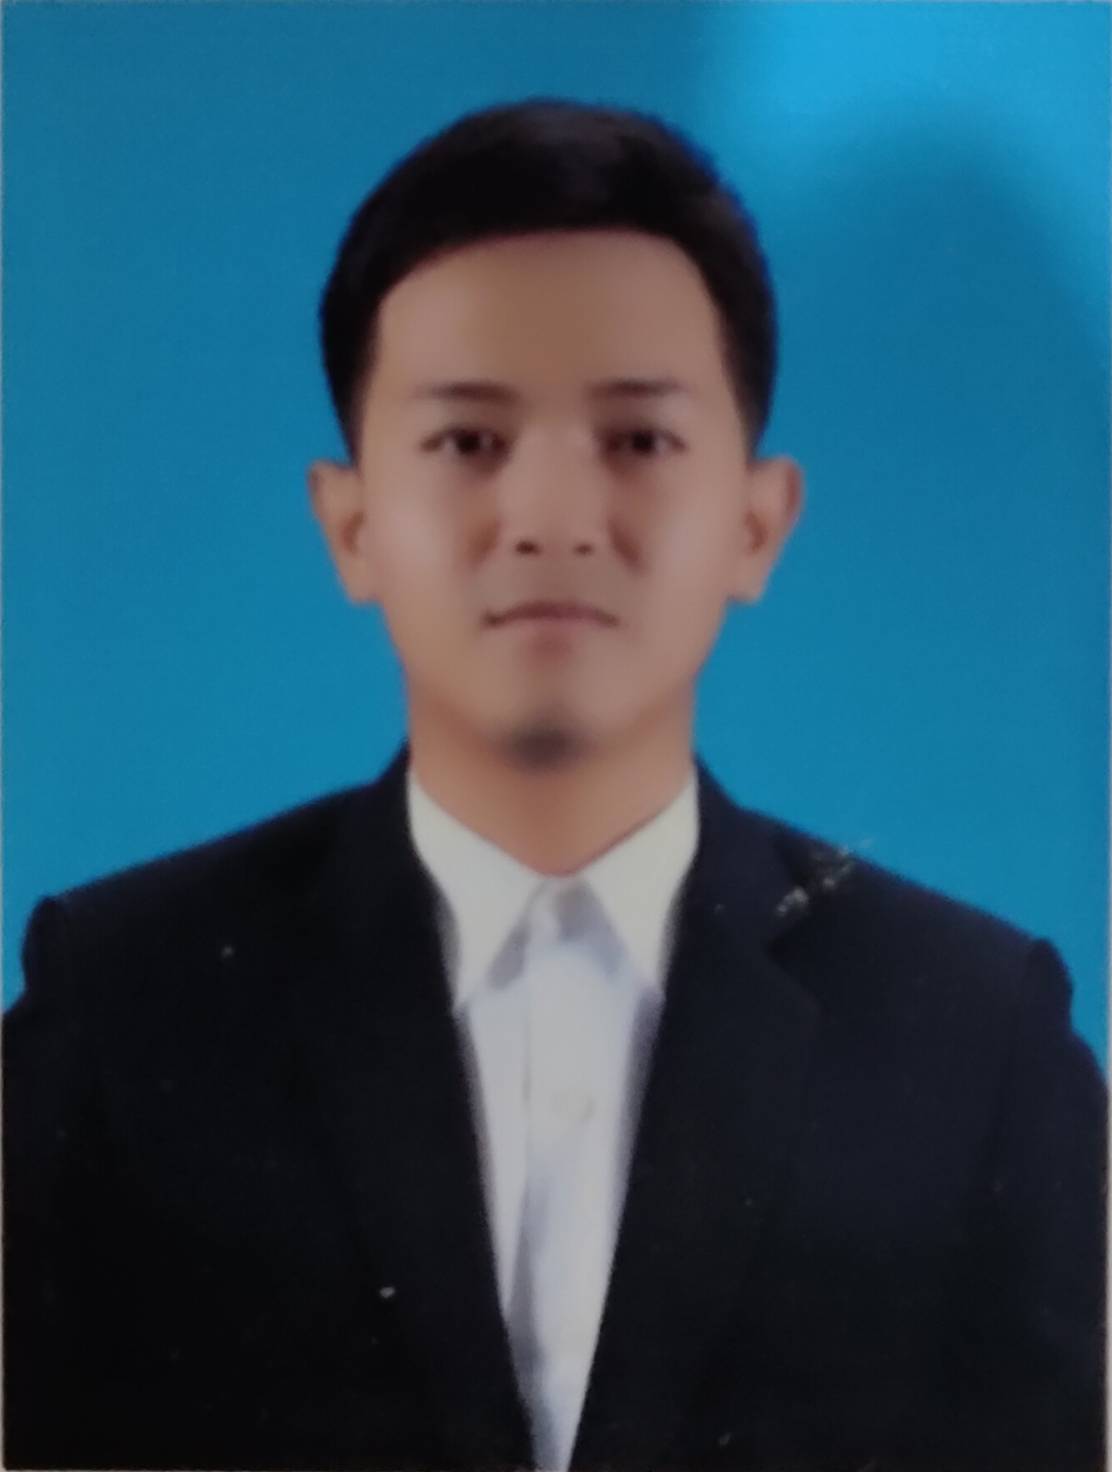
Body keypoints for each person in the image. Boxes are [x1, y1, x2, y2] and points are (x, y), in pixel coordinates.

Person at [3, 97, 1105, 1472]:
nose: (553, 519)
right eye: (469, 442)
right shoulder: (121, 1011)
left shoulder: (977, 1041)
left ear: (758, 521)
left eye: (637, 440)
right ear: (351, 523)